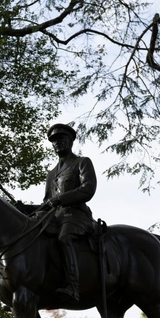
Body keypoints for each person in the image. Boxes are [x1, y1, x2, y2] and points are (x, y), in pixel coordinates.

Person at [39, 122, 97, 301]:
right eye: (54, 141)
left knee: (64, 238)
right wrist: (24, 208)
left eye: (61, 139)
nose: (57, 143)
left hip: (77, 215)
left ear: (71, 141)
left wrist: (60, 199)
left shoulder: (82, 162)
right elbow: (46, 203)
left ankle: (73, 285)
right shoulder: (51, 174)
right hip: (56, 218)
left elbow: (88, 189)